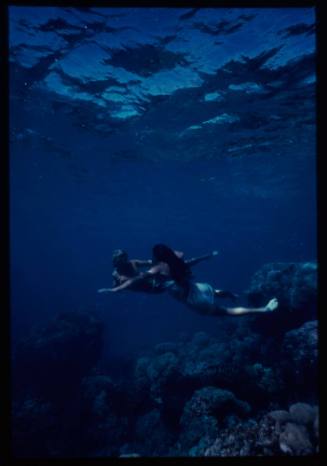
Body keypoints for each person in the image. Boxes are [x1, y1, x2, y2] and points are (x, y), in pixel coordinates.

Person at [99, 244, 277, 316]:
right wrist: (207, 256)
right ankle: (230, 294)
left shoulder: (156, 269)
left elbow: (135, 280)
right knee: (212, 292)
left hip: (189, 297)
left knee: (226, 312)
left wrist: (115, 290)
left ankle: (265, 309)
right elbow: (192, 262)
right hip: (195, 287)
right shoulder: (175, 261)